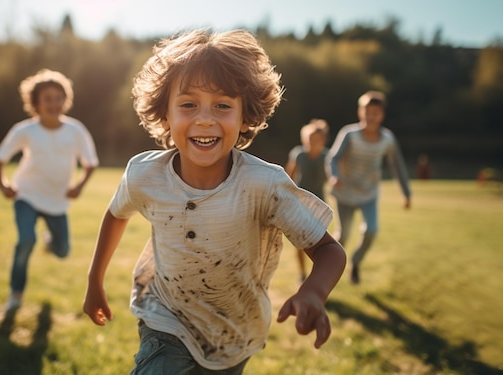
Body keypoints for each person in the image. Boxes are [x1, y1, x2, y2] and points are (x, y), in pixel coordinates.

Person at [82, 29, 346, 374]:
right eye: (188, 104)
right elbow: (116, 214)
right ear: (165, 114)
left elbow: (329, 250)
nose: (204, 118)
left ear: (245, 116)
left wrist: (313, 291)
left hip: (235, 331)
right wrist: (94, 281)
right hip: (165, 318)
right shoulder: (144, 175)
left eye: (222, 106)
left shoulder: (264, 184)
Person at [0, 69, 99, 311]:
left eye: (58, 98)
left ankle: (51, 242)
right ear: (36, 103)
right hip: (26, 195)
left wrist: (79, 186)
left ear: (66, 100)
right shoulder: (25, 131)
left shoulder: (76, 130)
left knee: (63, 251)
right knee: (26, 240)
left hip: (57, 200)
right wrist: (3, 184)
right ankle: (15, 296)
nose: (54, 103)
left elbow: (90, 163)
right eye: (47, 99)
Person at [326, 90, 410, 285]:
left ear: (382, 115)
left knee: (371, 230)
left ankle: (355, 262)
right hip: (344, 193)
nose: (371, 116)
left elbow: (397, 165)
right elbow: (333, 158)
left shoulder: (387, 140)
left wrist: (406, 193)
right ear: (360, 112)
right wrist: (334, 175)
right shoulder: (349, 134)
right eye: (367, 111)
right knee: (342, 236)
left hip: (368, 194)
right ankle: (328, 272)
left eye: (376, 112)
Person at [285, 119, 330, 283]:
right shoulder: (299, 154)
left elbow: (332, 176)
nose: (312, 142)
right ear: (304, 139)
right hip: (300, 204)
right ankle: (302, 273)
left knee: (317, 242)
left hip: (320, 205)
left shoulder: (327, 156)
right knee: (300, 241)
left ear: (323, 140)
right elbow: (288, 176)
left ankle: (315, 275)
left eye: (316, 139)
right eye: (309, 139)